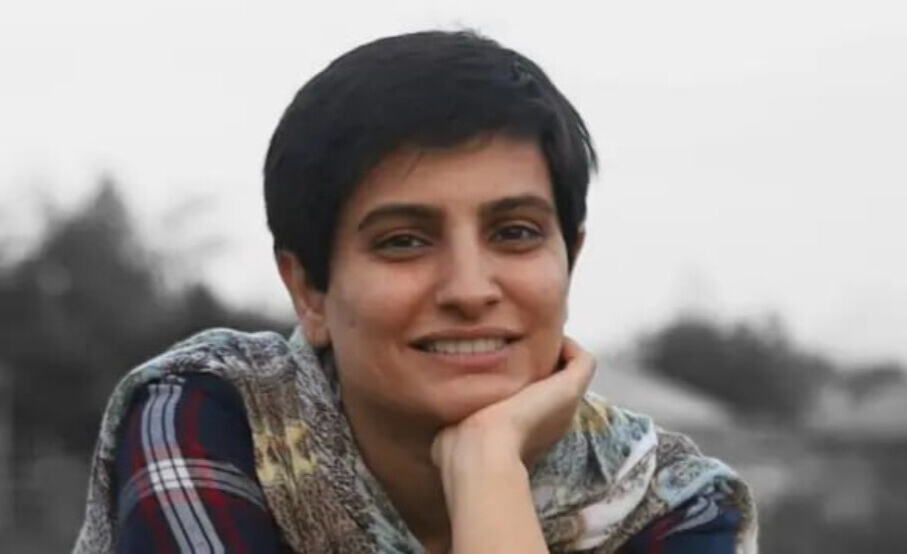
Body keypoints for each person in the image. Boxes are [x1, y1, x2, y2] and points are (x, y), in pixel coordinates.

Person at [74, 30, 758, 553]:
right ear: (309, 290)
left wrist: (487, 471)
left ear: (569, 258)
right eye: (403, 241)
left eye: (515, 233)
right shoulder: (216, 416)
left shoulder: (673, 508)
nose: (470, 289)